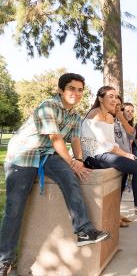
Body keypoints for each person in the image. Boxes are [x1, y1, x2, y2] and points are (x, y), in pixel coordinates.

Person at [0, 73, 110, 274]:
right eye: (71, 89)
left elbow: (75, 141)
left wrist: (77, 160)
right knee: (14, 209)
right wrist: (73, 162)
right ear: (61, 90)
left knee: (70, 176)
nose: (76, 93)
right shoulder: (48, 106)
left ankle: (84, 230)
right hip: (24, 155)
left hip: (47, 154)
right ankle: (4, 260)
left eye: (79, 90)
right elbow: (55, 137)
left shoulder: (75, 117)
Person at [80, 86, 137, 222]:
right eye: (110, 96)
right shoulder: (95, 114)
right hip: (93, 156)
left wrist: (126, 154)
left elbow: (112, 143)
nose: (114, 100)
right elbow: (103, 144)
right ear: (101, 99)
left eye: (115, 96)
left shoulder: (109, 117)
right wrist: (125, 155)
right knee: (136, 167)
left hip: (105, 152)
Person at [113, 96, 136, 227]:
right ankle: (115, 215)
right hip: (117, 160)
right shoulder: (113, 123)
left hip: (126, 160)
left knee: (120, 190)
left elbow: (132, 135)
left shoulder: (127, 126)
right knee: (115, 190)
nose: (129, 113)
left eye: (132, 111)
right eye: (126, 110)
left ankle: (117, 213)